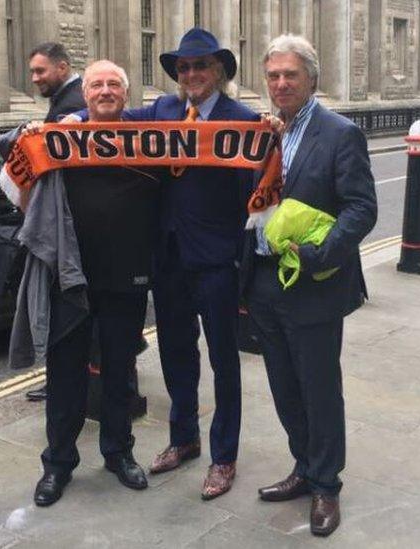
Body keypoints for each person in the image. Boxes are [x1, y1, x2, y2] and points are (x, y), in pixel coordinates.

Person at [68, 27, 258, 500]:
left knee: (222, 361)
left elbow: (254, 202)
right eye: (184, 67)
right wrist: (60, 122)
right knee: (176, 354)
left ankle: (224, 457)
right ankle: (184, 438)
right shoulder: (162, 111)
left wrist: (243, 266)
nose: (191, 74)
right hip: (168, 260)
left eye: (201, 66)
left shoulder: (243, 121)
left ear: (219, 72)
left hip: (216, 262)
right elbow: (107, 117)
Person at [242, 34, 377, 536]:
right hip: (262, 283)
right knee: (283, 387)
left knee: (319, 389)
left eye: (290, 75)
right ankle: (303, 466)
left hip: (313, 285)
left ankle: (326, 485)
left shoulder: (340, 133)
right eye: (273, 75)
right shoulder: (257, 133)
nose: (280, 83)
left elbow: (362, 207)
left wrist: (320, 254)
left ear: (312, 80)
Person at [29, 60, 161, 507]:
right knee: (64, 374)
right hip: (72, 277)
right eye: (96, 85)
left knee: (119, 374)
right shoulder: (62, 135)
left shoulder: (151, 137)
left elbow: (194, 115)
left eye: (113, 84)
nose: (105, 91)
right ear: (84, 95)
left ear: (126, 94)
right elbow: (20, 181)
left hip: (127, 275)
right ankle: (58, 465)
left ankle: (118, 454)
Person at [23, 42, 87, 403]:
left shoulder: (72, 104)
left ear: (62, 68)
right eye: (33, 72)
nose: (34, 78)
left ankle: (63, 381)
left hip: (69, 225)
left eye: (40, 71)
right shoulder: (64, 102)